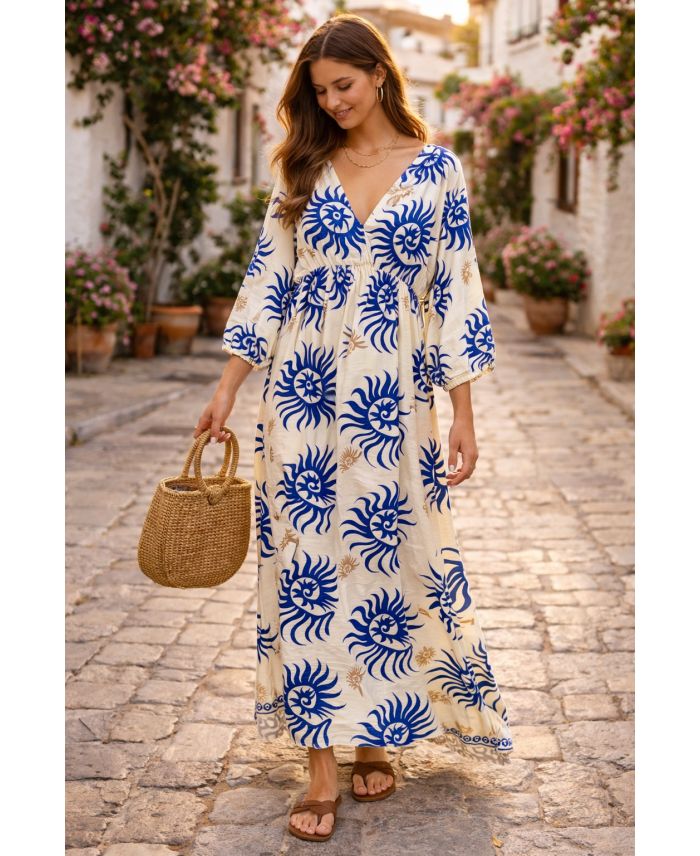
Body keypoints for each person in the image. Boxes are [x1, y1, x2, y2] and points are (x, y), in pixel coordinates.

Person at [194, 12, 513, 844]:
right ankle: (320, 766)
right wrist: (227, 388)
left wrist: (463, 414)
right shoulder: (305, 167)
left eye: (344, 85)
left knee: (386, 558)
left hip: (394, 403)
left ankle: (377, 732)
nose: (333, 102)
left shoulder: (437, 171)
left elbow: (455, 293)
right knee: (305, 569)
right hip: (301, 397)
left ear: (378, 74)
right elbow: (268, 280)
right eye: (321, 91)